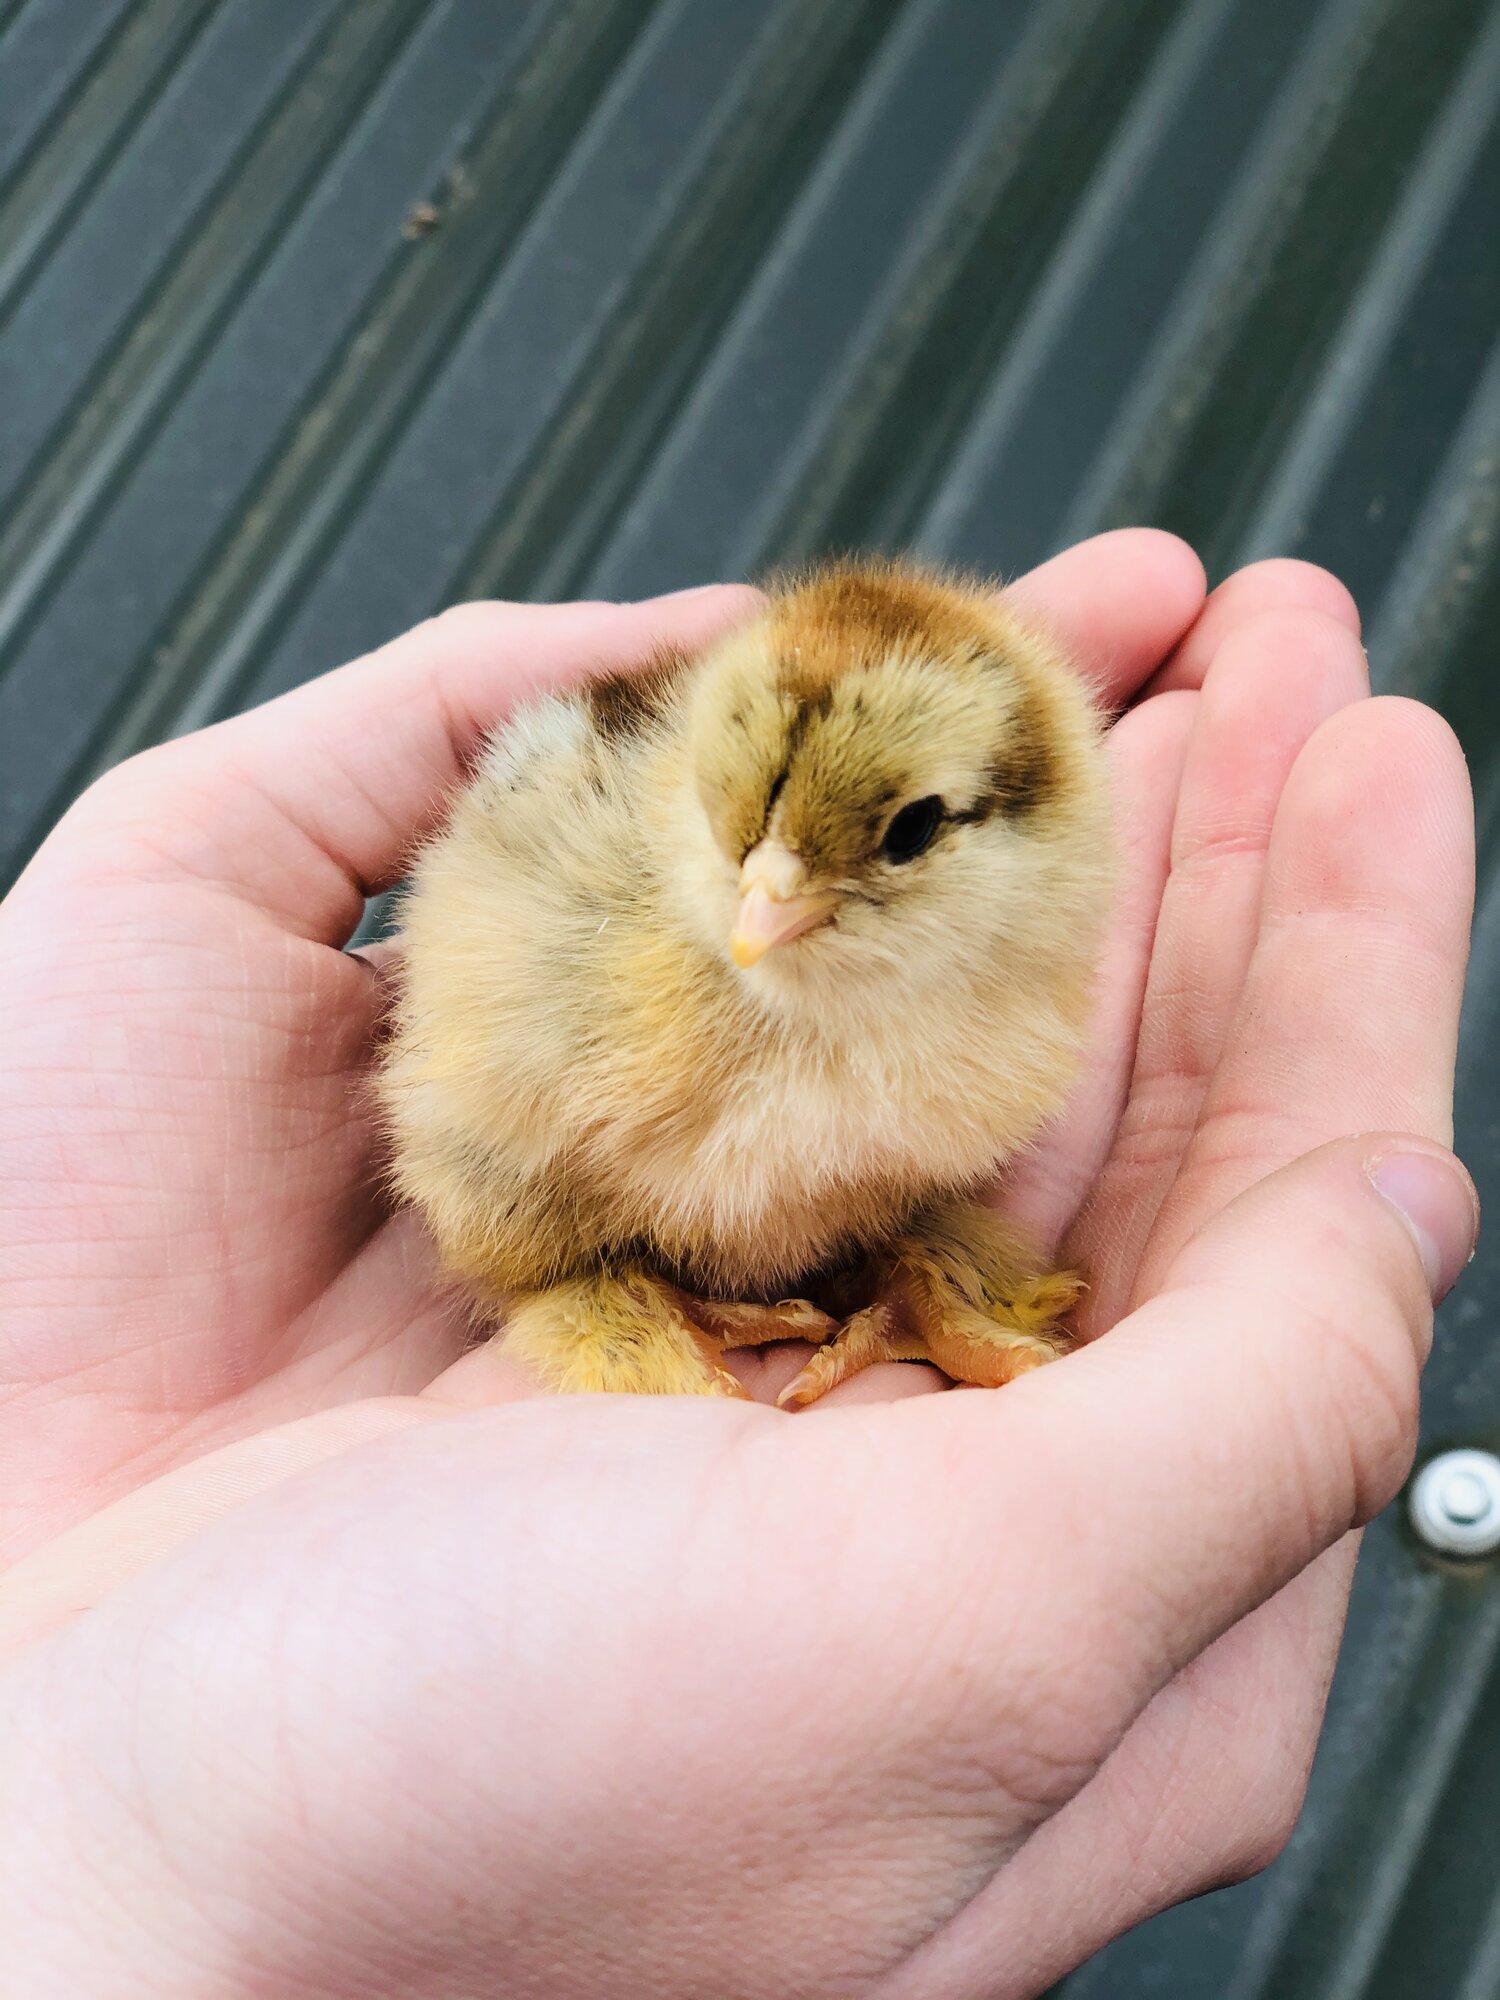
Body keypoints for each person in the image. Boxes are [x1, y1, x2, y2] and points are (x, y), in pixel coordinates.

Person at [0, 530, 1476, 1999]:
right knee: (547, 1129)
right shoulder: (610, 939)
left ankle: (898, 1265)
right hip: (535, 1177)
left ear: (1024, 829)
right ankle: (604, 1282)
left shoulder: (1010, 981)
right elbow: (469, 1079)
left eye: (894, 838)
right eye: (735, 833)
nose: (764, 906)